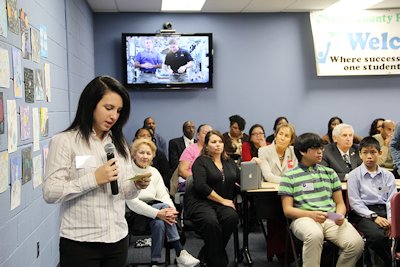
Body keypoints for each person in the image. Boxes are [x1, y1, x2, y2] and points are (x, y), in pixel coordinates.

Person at [42, 76, 150, 267]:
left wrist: (136, 185)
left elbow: (124, 192)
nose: (114, 116)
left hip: (117, 238)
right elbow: (50, 192)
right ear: (90, 104)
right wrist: (93, 179)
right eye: (108, 108)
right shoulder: (64, 141)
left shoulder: (119, 144)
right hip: (81, 242)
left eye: (118, 111)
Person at [278, 133, 364, 267]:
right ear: (302, 151)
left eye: (321, 148)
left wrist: (340, 215)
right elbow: (287, 210)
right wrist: (311, 214)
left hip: (330, 216)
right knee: (314, 235)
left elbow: (340, 203)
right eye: (315, 149)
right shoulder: (289, 176)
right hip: (303, 218)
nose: (320, 152)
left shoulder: (329, 173)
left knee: (356, 243)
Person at [126, 138, 200, 267]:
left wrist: (169, 210)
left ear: (153, 156)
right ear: (134, 154)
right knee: (161, 214)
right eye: (141, 153)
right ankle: (180, 251)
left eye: (148, 153)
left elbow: (163, 195)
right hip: (136, 214)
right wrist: (160, 212)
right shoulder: (127, 171)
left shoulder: (154, 172)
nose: (145, 156)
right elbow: (132, 203)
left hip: (159, 212)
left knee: (160, 223)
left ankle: (154, 263)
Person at [187, 130, 240, 267]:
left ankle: (206, 253)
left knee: (232, 218)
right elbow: (200, 186)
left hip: (222, 203)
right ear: (206, 146)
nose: (218, 145)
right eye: (213, 142)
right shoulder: (201, 161)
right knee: (211, 222)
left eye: (220, 142)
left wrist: (253, 164)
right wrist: (223, 200)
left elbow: (240, 180)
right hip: (201, 201)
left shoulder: (229, 162)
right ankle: (219, 263)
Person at [348, 137, 396, 267]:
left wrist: (392, 220)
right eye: (365, 152)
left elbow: (391, 200)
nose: (369, 156)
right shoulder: (354, 175)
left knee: (391, 233)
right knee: (378, 237)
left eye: (373, 152)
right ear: (360, 154)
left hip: (385, 211)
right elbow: (355, 203)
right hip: (363, 213)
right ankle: (389, 262)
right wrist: (374, 217)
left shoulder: (388, 176)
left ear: (380, 153)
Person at [258, 123, 297, 265]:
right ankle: (279, 251)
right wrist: (289, 181)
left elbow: (297, 173)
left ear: (291, 140)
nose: (282, 137)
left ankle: (290, 252)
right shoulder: (264, 151)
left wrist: (290, 182)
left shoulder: (293, 151)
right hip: (270, 195)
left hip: (290, 193)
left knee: (293, 216)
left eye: (286, 136)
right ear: (275, 134)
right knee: (277, 217)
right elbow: (268, 175)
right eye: (280, 134)